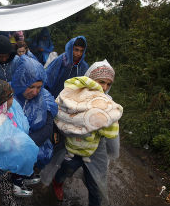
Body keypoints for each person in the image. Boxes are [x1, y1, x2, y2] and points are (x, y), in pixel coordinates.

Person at [52, 59, 122, 206]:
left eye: (108, 84)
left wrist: (112, 150)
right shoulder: (72, 98)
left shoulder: (108, 104)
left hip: (95, 152)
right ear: (89, 79)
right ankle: (57, 182)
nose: (104, 87)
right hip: (73, 149)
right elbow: (61, 117)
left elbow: (112, 134)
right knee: (66, 170)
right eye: (101, 82)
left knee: (95, 185)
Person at [11, 55, 58, 186]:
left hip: (33, 145)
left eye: (39, 87)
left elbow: (48, 127)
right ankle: (16, 180)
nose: (35, 92)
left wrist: (26, 144)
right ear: (20, 81)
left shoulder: (45, 98)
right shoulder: (7, 95)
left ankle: (24, 176)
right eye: (31, 86)